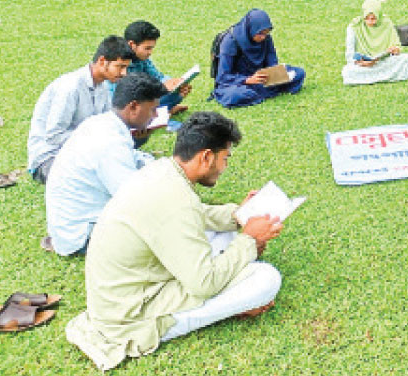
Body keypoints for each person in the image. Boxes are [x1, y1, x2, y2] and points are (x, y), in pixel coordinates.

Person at [65, 112, 284, 371]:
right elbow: (204, 283)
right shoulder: (176, 200)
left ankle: (231, 291)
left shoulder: (162, 172)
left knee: (225, 234)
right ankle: (228, 308)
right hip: (133, 314)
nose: (225, 167)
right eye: (225, 159)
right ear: (206, 157)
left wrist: (239, 215)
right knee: (266, 279)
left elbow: (196, 215)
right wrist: (249, 239)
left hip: (129, 291)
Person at [43, 73, 168, 256]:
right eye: (152, 109)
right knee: (163, 229)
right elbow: (132, 199)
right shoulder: (109, 142)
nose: (155, 115)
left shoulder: (103, 123)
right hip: (82, 235)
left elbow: (135, 159)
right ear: (133, 107)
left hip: (76, 224)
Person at [27, 36, 134, 184]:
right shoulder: (70, 87)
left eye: (126, 68)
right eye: (120, 67)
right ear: (102, 61)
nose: (124, 73)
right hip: (50, 158)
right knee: (94, 180)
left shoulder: (103, 86)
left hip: (83, 152)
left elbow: (106, 124)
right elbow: (53, 136)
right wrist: (93, 140)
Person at [213, 9, 306, 108]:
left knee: (298, 73)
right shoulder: (231, 41)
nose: (263, 37)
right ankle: (261, 92)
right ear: (251, 29)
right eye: (260, 33)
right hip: (237, 83)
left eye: (266, 33)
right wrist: (247, 80)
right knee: (235, 95)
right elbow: (223, 76)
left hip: (261, 79)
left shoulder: (266, 38)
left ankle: (258, 93)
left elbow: (272, 63)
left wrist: (274, 74)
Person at [341, 0, 408, 86]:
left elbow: (396, 46)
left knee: (407, 59)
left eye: (373, 19)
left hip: (382, 61)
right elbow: (349, 54)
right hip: (363, 64)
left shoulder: (387, 23)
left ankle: (370, 77)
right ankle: (385, 76)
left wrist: (395, 50)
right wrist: (361, 63)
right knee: (348, 71)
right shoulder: (354, 26)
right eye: (367, 19)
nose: (370, 22)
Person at [124, 20, 193, 112]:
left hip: (143, 97)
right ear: (132, 45)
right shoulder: (119, 63)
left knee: (176, 92)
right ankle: (164, 112)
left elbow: (158, 77)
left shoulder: (142, 58)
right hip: (128, 104)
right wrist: (161, 88)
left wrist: (175, 84)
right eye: (147, 48)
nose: (150, 53)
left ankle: (162, 111)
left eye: (151, 48)